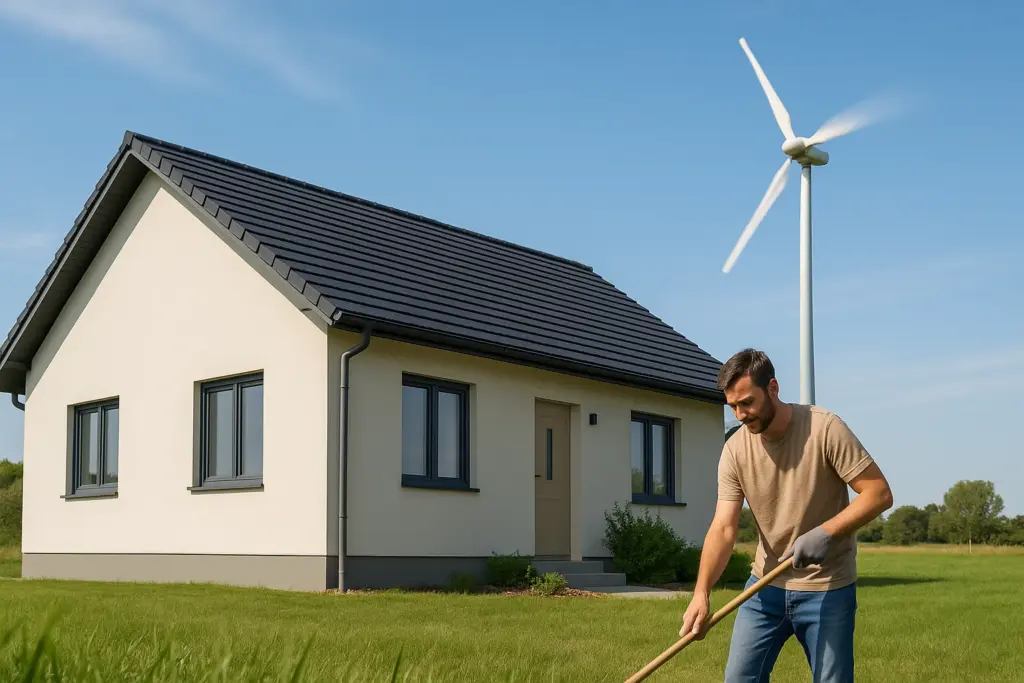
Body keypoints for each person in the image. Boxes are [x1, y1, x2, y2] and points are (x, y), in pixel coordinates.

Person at [680, 348, 893, 683]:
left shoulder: (825, 429)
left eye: (747, 403)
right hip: (764, 589)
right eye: (732, 406)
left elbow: (878, 493)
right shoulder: (735, 450)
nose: (739, 415)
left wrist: (827, 532)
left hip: (828, 588)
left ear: (774, 389)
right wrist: (701, 593)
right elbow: (723, 528)